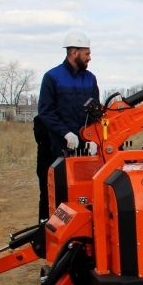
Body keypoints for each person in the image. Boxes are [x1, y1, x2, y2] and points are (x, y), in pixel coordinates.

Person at [35, 30, 99, 219]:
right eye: (87, 53)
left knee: (82, 191)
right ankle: (47, 226)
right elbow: (45, 111)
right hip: (55, 146)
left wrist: (93, 137)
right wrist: (65, 133)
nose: (90, 57)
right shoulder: (52, 77)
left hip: (83, 148)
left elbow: (95, 112)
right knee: (53, 191)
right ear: (74, 52)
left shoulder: (90, 79)